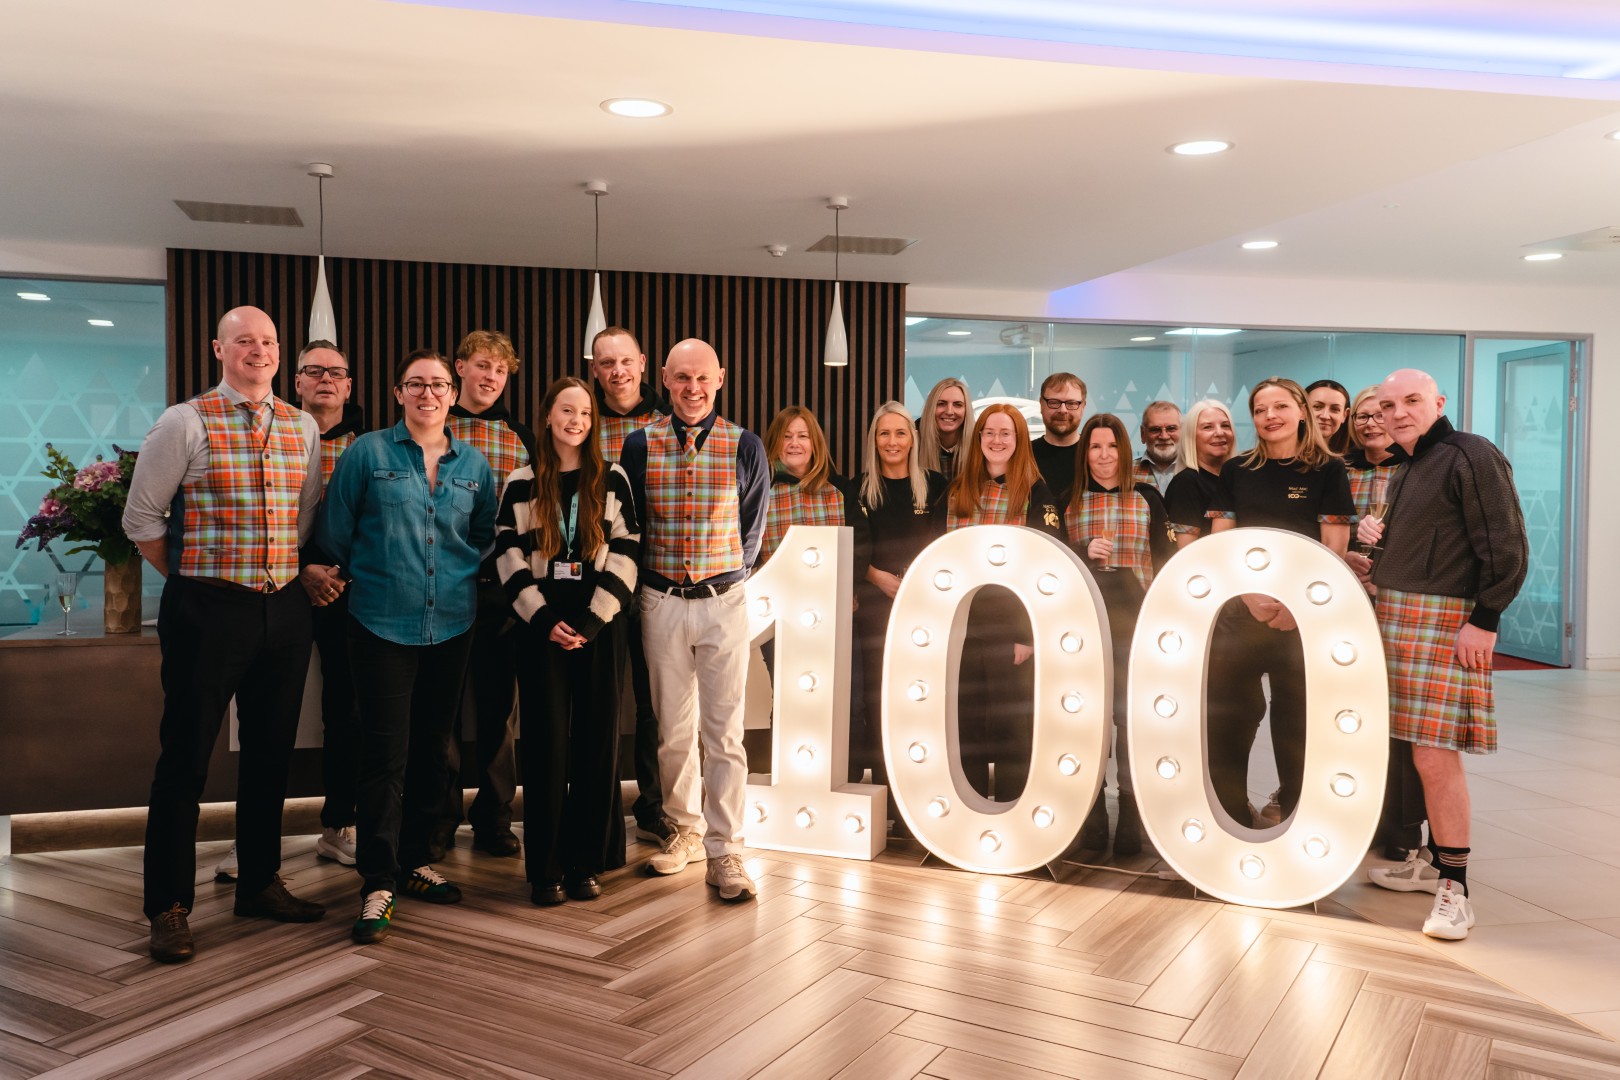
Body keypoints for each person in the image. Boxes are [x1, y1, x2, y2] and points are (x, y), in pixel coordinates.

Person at [122, 306, 328, 962]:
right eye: (244, 341)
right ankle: (168, 905)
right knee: (185, 758)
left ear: (280, 353)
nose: (258, 351)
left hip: (284, 611)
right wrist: (193, 578)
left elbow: (303, 516)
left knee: (271, 755)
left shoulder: (302, 426)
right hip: (207, 610)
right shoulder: (183, 422)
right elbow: (141, 519)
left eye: (268, 341)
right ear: (219, 349)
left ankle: (259, 881)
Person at [318, 349, 497, 944]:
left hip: (452, 623)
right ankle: (377, 880)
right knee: (383, 754)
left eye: (438, 384)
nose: (428, 394)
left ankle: (416, 859)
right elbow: (335, 533)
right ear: (399, 393)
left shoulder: (474, 463)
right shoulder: (367, 454)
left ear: (452, 394)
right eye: (416, 384)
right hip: (378, 623)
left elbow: (481, 537)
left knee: (432, 749)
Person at [1361, 369, 1527, 941]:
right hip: (1397, 618)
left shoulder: (1470, 453)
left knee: (1435, 758)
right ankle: (1431, 866)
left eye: (1411, 400)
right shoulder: (1407, 465)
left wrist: (1485, 619)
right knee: (1413, 752)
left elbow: (1507, 545)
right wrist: (1376, 550)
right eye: (1387, 405)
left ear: (1439, 402)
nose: (1398, 413)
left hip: (1444, 622)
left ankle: (1457, 892)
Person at [213, 339, 368, 882]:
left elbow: (377, 521)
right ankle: (253, 844)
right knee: (264, 720)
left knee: (348, 714)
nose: (326, 380)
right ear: (296, 381)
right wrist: (304, 570)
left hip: (348, 594)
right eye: (314, 371)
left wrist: (336, 575)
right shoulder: (271, 431)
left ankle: (340, 823)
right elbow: (258, 513)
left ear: (349, 386)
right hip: (276, 590)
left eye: (336, 372)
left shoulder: (371, 446)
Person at [621, 338, 769, 901]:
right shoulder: (640, 444)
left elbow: (752, 528)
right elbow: (633, 524)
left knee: (725, 732)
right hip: (659, 600)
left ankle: (725, 849)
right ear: (664, 379)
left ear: (720, 379)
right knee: (672, 729)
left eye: (703, 378)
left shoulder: (745, 444)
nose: (693, 388)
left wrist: (723, 578)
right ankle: (684, 829)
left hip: (722, 599)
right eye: (682, 377)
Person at [496, 377, 640, 905]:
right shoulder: (521, 481)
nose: (576, 420)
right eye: (566, 410)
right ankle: (546, 869)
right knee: (546, 746)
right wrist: (542, 619)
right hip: (541, 630)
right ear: (548, 417)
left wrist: (593, 620)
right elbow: (507, 555)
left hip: (599, 626)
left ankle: (586, 863)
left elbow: (628, 550)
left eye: (584, 412)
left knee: (598, 744)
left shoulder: (613, 477)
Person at [1207, 378, 1353, 829]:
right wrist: (1248, 596)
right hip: (1242, 614)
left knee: (1296, 721)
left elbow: (1334, 547)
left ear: (1301, 411)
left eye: (1280, 406)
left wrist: (1299, 606)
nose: (1270, 416)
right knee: (1230, 718)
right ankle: (1231, 811)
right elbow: (1222, 543)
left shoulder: (1328, 470)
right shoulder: (1236, 470)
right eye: (1260, 409)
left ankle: (1295, 812)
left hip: (1300, 620)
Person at [436, 330, 538, 859]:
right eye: (482, 365)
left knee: (500, 711)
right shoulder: (435, 425)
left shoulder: (520, 437)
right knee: (443, 711)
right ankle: (439, 818)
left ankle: (496, 817)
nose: (491, 377)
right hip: (443, 587)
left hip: (502, 591)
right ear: (460, 368)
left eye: (500, 370)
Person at [1065, 414, 1173, 857]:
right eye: (1095, 447)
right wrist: (1081, 550)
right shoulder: (1068, 501)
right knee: (1087, 722)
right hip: (1083, 629)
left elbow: (1166, 562)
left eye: (1112, 446)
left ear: (1125, 451)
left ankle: (1130, 812)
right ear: (1084, 453)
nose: (1104, 455)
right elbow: (1055, 560)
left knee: (1130, 723)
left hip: (1136, 627)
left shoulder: (1147, 497)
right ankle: (1092, 811)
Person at [944, 404, 1064, 801]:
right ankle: (971, 803)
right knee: (965, 724)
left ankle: (1014, 803)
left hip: (1012, 632)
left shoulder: (1036, 493)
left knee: (1012, 728)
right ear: (978, 439)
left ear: (1019, 440)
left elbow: (1048, 569)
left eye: (1005, 433)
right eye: (989, 433)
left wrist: (1028, 634)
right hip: (962, 630)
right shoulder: (958, 490)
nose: (997, 440)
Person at [590, 326, 672, 845]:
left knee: (655, 703)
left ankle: (655, 808)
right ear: (595, 370)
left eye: (625, 361)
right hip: (594, 586)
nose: (617, 371)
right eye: (606, 363)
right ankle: (595, 812)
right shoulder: (583, 421)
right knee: (597, 701)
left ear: (642, 364)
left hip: (657, 582)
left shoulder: (669, 423)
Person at [1343, 383, 1426, 862]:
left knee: (1400, 718)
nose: (1372, 423)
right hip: (1347, 601)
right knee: (1357, 715)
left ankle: (1402, 826)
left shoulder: (1415, 468)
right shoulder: (1341, 471)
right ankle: (1364, 816)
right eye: (1363, 416)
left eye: (1380, 414)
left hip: (1397, 603)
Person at [855, 402, 948, 795]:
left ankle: (918, 791)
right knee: (881, 699)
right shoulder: (858, 488)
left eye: (900, 433)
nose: (892, 441)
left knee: (921, 699)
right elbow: (852, 546)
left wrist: (917, 582)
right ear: (874, 441)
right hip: (875, 611)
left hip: (924, 610)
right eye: (884, 433)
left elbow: (945, 545)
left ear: (913, 439)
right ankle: (885, 793)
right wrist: (877, 578)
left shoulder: (937, 486)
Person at [1163, 399, 1235, 549]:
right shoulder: (1186, 483)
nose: (1219, 432)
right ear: (1191, 436)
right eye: (1208, 427)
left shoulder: (1238, 479)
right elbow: (1187, 552)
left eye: (1225, 425)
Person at [1030, 373, 1087, 503]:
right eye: (1054, 402)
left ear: (1083, 407)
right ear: (1041, 404)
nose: (1063, 410)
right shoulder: (1023, 455)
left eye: (1071, 403)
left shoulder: (1096, 456)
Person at [917, 377, 973, 476]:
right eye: (941, 404)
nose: (949, 411)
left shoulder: (980, 442)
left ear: (966, 410)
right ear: (931, 408)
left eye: (957, 405)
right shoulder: (912, 440)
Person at [1132, 401, 1183, 494]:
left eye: (1171, 428)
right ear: (1143, 434)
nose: (1164, 436)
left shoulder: (1198, 472)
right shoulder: (1125, 474)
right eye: (1155, 429)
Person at [1306, 378, 1352, 456]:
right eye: (1317, 406)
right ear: (1303, 410)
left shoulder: (1352, 459)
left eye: (1335, 409)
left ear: (1345, 415)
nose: (1325, 416)